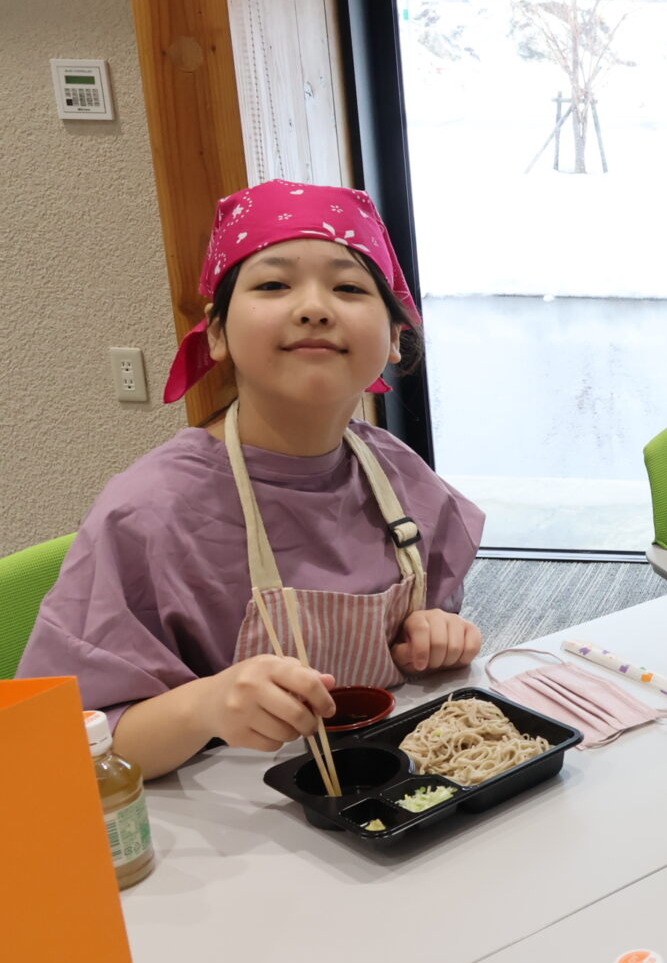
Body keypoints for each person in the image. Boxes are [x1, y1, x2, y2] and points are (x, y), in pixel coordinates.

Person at [19, 181, 485, 778]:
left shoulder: (397, 474)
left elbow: (428, 628)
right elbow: (67, 750)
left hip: (383, 793)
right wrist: (204, 706)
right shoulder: (150, 511)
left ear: (396, 336)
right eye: (273, 284)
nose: (314, 307)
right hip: (226, 834)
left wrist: (435, 635)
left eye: (348, 287)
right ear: (215, 333)